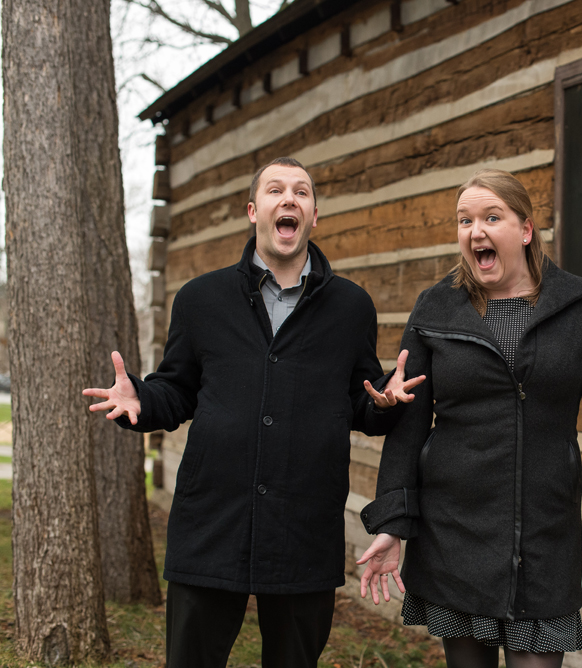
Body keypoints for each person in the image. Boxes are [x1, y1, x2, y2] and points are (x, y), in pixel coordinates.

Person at [83, 156, 424, 668]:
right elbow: (176, 391)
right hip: (211, 524)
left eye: (302, 192)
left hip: (304, 527)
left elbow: (357, 403)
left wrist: (385, 404)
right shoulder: (201, 299)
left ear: (314, 217)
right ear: (253, 210)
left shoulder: (352, 307)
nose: (289, 199)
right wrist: (142, 400)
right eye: (275, 190)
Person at [355, 169, 582, 668]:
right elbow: (409, 430)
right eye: (465, 220)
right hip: (454, 533)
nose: (475, 231)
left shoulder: (579, 303)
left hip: (544, 536)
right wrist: (393, 523)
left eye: (490, 217)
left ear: (524, 230)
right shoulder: (436, 307)